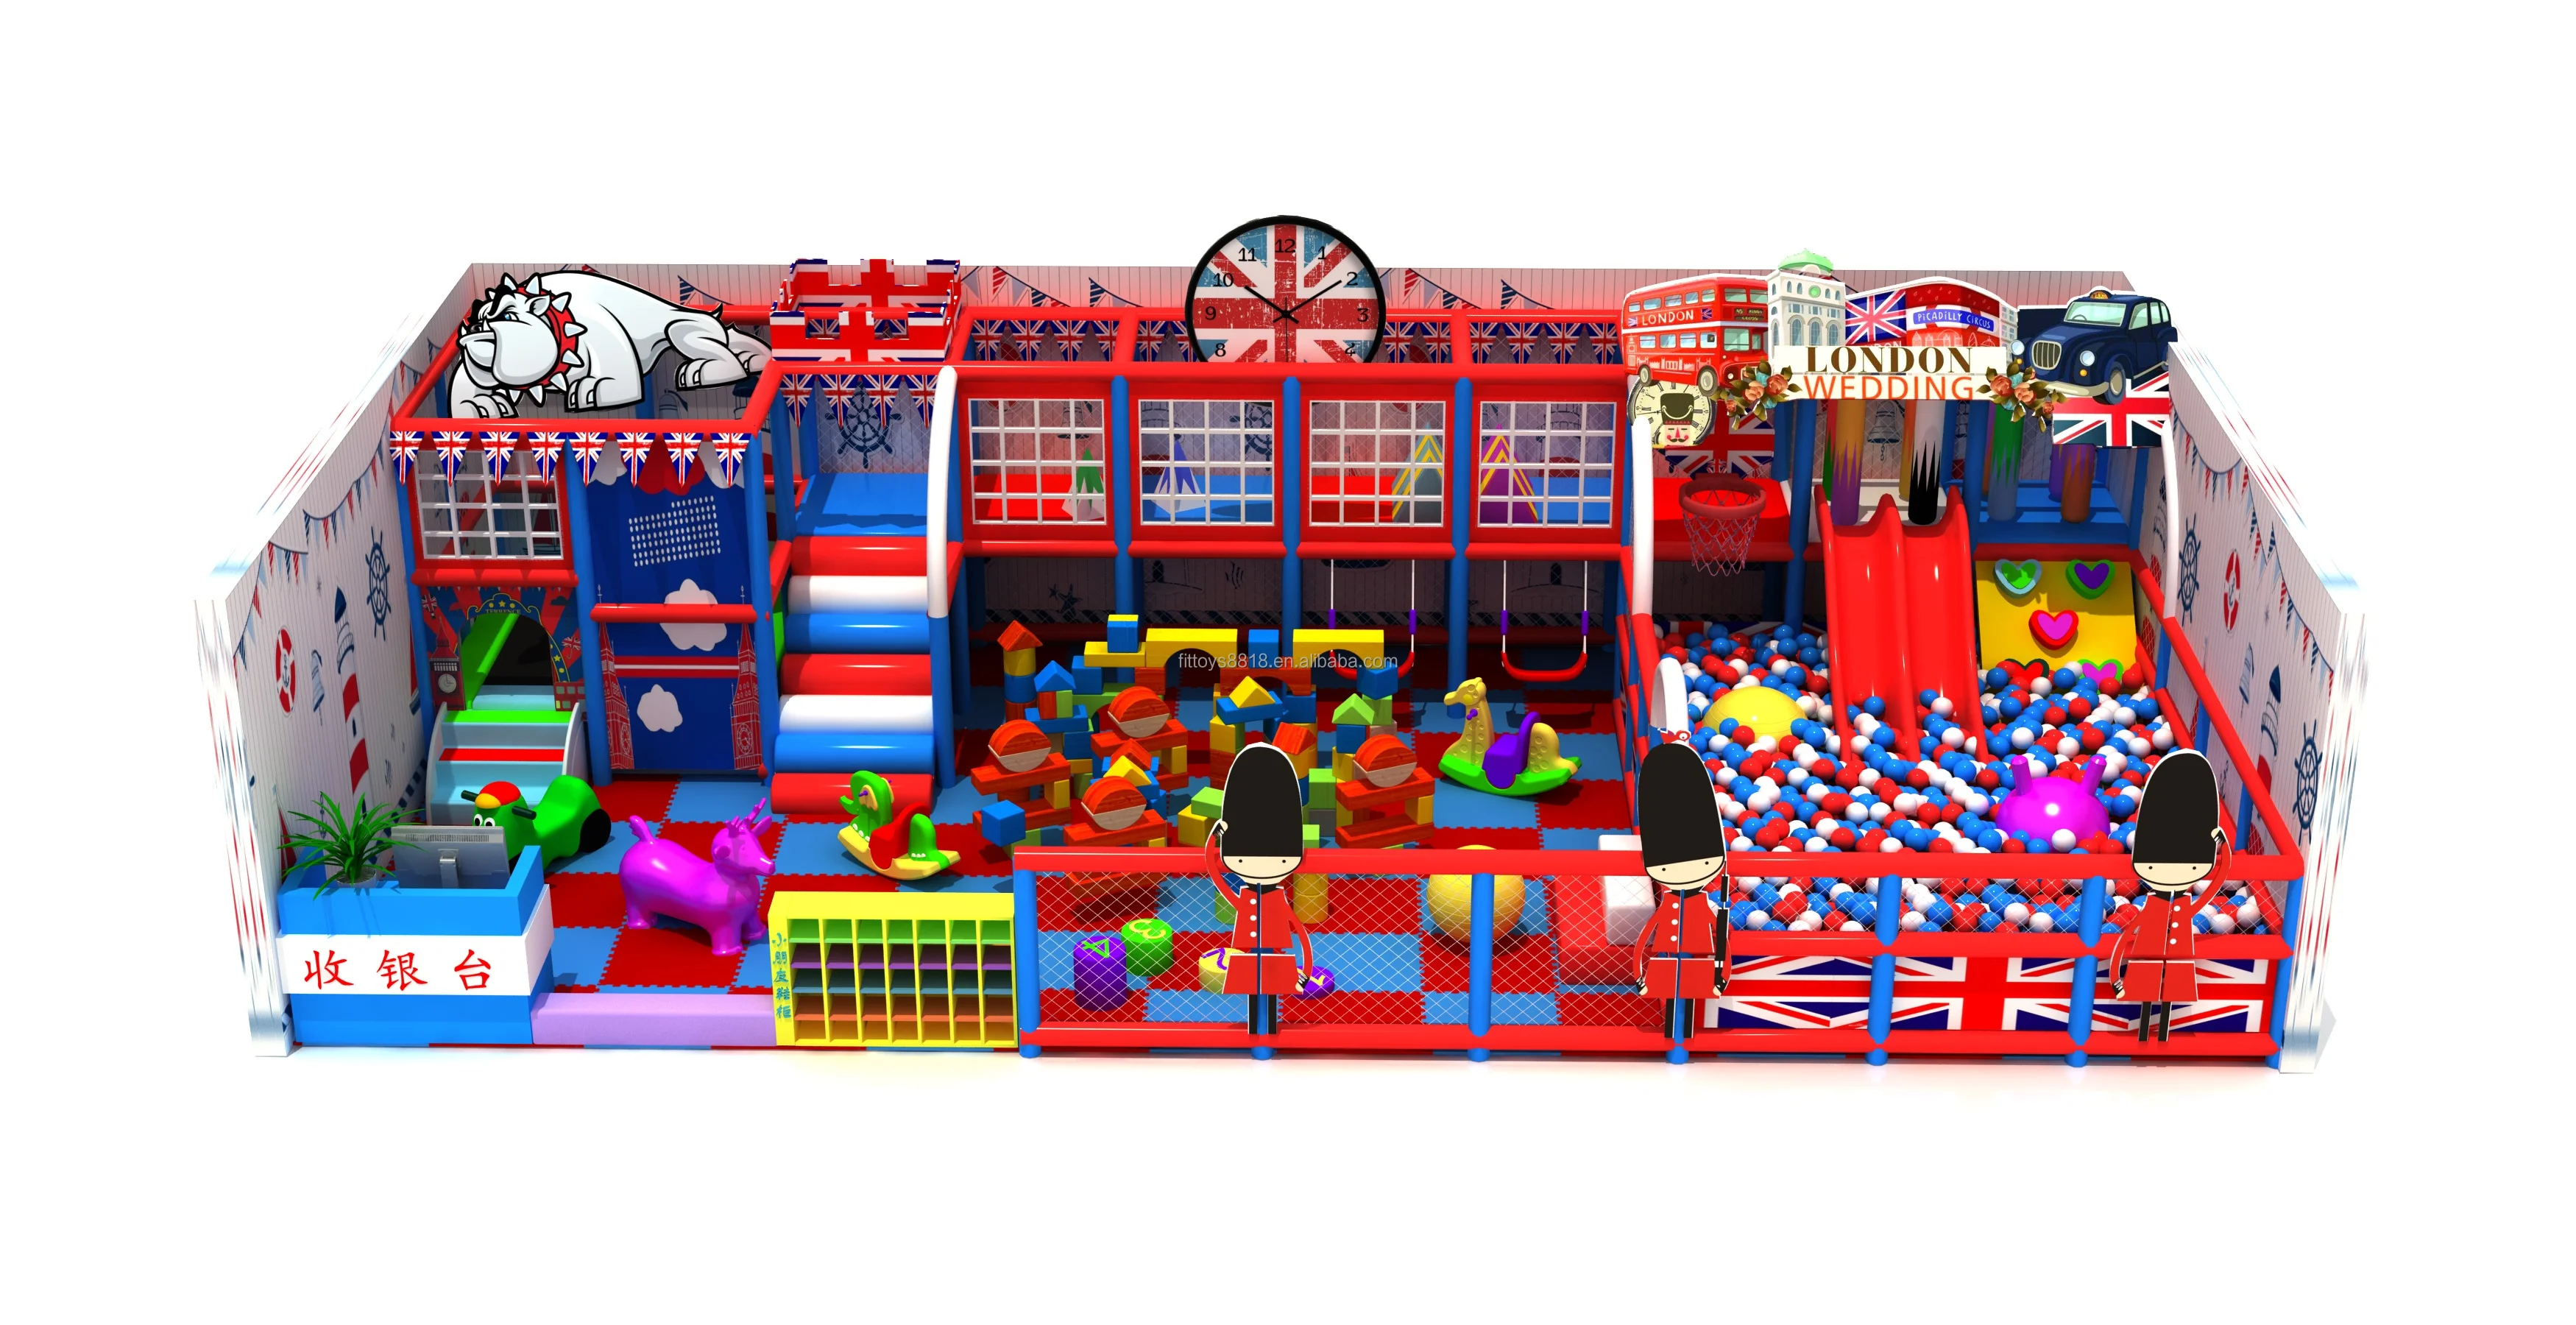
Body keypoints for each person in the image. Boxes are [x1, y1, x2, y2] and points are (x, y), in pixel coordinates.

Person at [2103, 749, 2232, 1042]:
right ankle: (2145, 1034)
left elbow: (2217, 881)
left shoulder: (2185, 907)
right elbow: (2126, 938)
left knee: (2170, 995)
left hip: (2177, 964)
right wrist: (2117, 980)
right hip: (2147, 964)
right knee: (2147, 993)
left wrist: (2222, 847)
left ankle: (2163, 1035)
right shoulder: (2157, 907)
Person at [1205, 743, 1317, 1034]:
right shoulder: (1248, 899)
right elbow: (1216, 874)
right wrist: (1214, 840)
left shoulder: (1273, 899)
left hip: (1275, 958)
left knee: (1270, 980)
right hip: (1248, 957)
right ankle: (1259, 1033)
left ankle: (1265, 1034)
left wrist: (1305, 972)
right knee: (1253, 984)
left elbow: (1298, 930)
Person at [1632, 741, 1730, 1040]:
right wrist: (1640, 976)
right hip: (1666, 967)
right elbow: (1645, 939)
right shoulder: (1673, 904)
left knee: (1686, 1001)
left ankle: (1680, 1040)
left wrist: (1721, 978)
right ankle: (1676, 1040)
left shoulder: (1703, 906)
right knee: (1673, 997)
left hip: (1696, 969)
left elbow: (1723, 944)